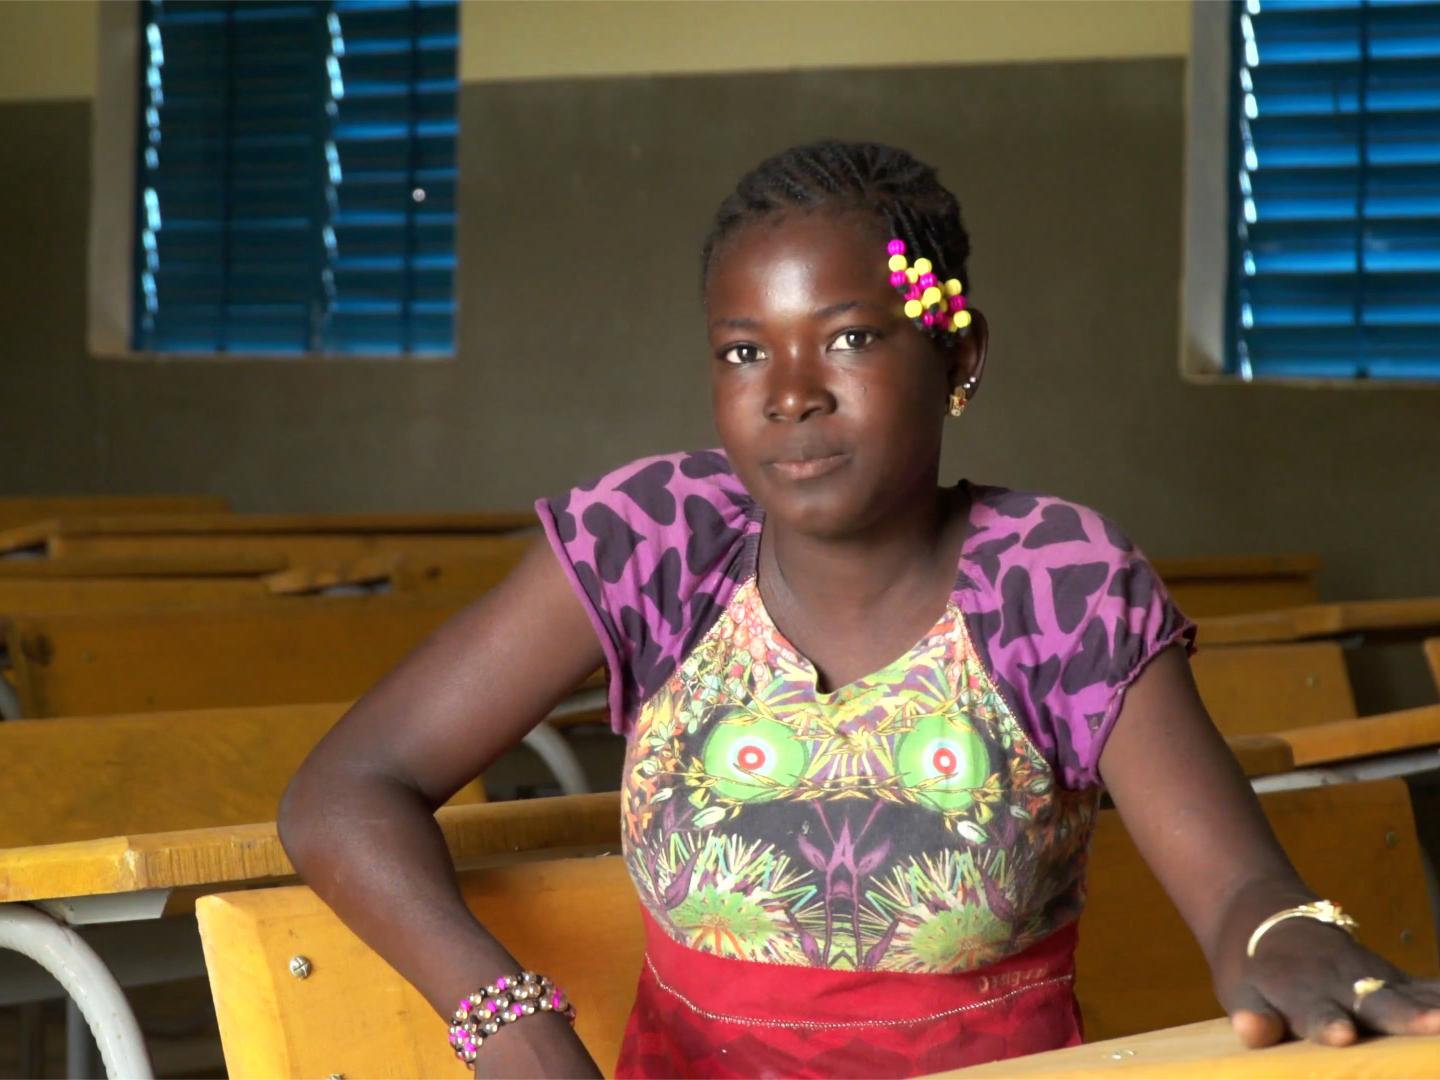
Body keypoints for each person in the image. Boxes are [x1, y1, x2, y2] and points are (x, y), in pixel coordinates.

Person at [278, 140, 1440, 1078]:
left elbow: (1236, 881)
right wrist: (511, 1026)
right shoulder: (662, 542)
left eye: (848, 338)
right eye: (744, 352)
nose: (789, 395)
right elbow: (343, 794)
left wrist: (1284, 935)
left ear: (957, 357)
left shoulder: (1054, 582)